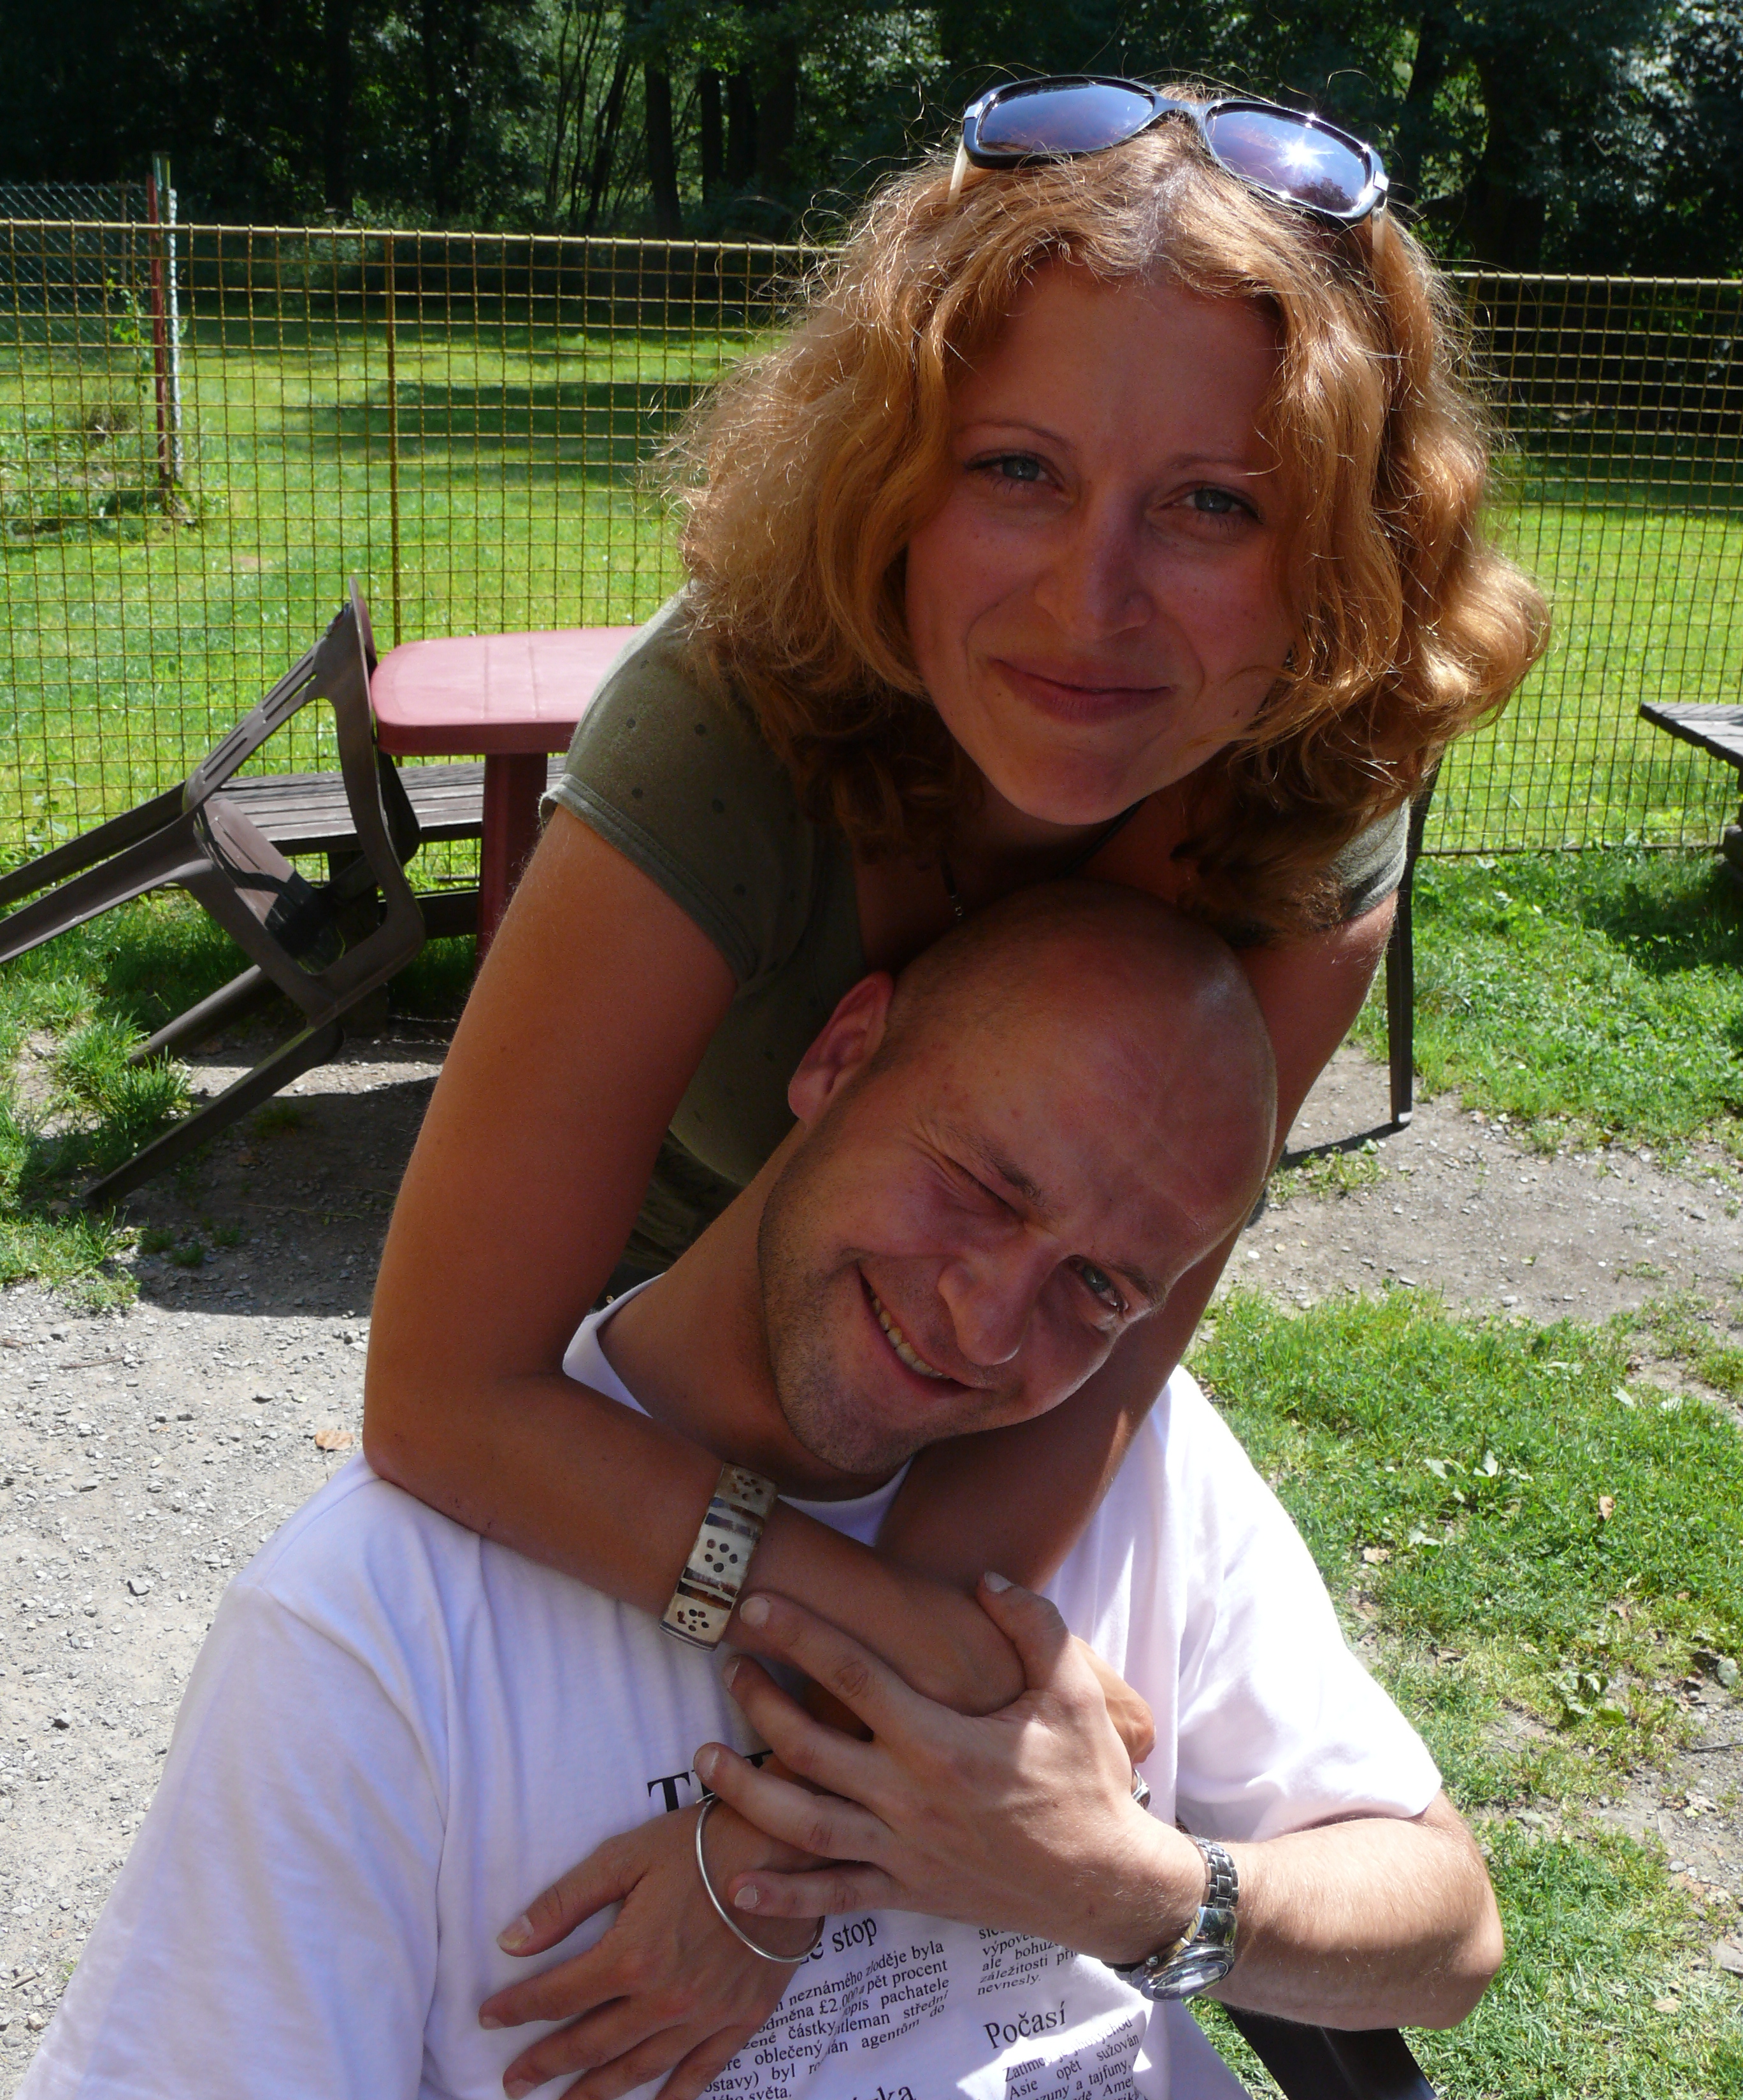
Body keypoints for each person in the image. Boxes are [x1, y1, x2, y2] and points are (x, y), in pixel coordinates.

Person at [17, 887, 1502, 2100]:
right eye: (987, 1187)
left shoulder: (1140, 1461)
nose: (988, 1327)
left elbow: (1447, 1929)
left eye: (1101, 1289)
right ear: (839, 1056)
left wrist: (1135, 1890)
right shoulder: (377, 1621)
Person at [364, 76, 1549, 1653]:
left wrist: (904, 1712)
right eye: (1016, 471)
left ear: (1339, 552)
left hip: (967, 1420)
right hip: (624, 1386)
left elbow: (1102, 1372)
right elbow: (448, 1397)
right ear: (893, 478)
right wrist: (883, 1651)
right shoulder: (719, 724)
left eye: (1212, 504)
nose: (1089, 605)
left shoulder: (1319, 786)